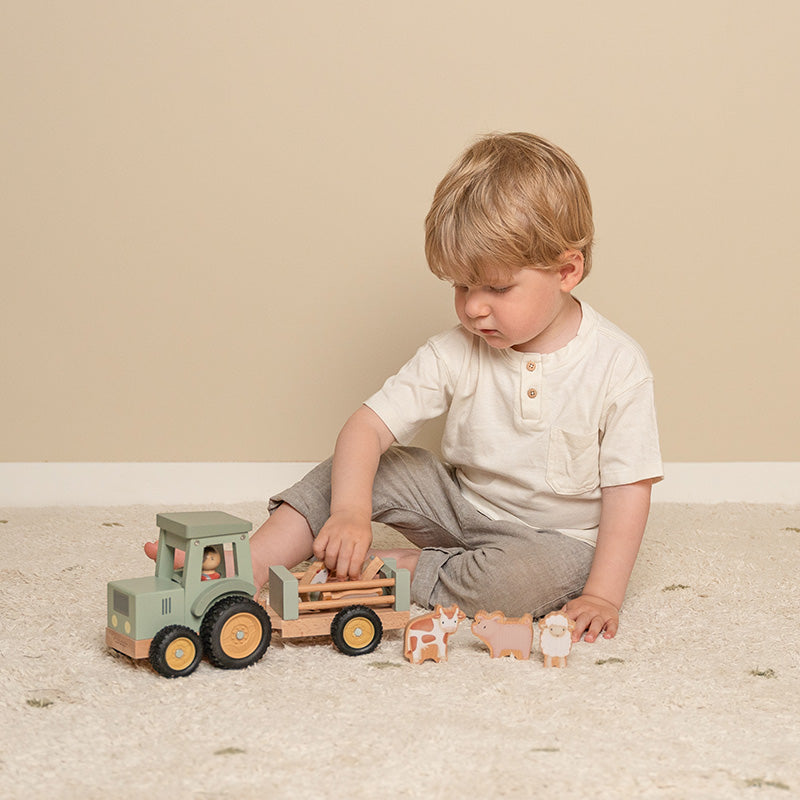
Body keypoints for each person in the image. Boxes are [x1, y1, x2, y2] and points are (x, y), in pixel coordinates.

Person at [151, 132, 662, 643]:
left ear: (567, 271)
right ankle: (248, 564)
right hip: (459, 505)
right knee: (370, 465)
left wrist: (603, 595)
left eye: (497, 287)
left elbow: (628, 492)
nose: (473, 307)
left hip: (553, 540)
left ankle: (400, 567)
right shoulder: (456, 349)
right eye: (461, 286)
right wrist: (350, 511)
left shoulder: (617, 365)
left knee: (524, 584)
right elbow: (367, 427)